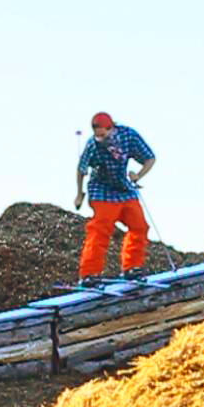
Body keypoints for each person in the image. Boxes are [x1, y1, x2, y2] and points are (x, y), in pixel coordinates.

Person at [75, 112, 156, 284]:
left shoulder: (128, 135)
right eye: (97, 136)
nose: (100, 139)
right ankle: (90, 273)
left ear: (111, 128)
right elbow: (81, 169)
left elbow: (150, 158)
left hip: (123, 188)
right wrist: (79, 194)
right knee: (101, 229)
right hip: (101, 190)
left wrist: (138, 175)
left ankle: (132, 267)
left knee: (139, 226)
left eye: (103, 135)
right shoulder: (92, 145)